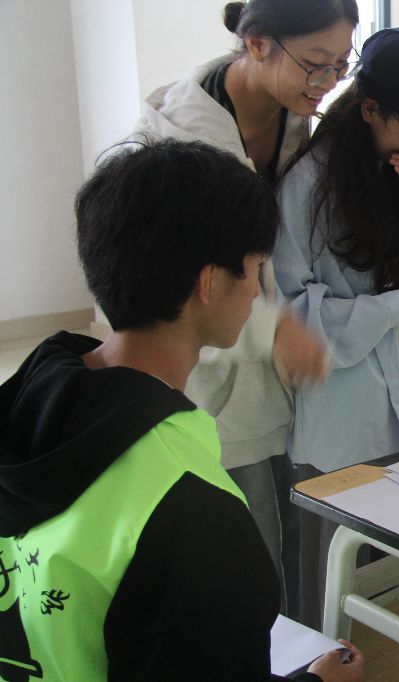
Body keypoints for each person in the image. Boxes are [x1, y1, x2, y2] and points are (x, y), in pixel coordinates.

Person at [0, 139, 363, 681]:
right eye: (255, 269)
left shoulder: (24, 409)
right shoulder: (192, 510)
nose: (258, 295)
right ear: (209, 283)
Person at [131, 0, 361, 614]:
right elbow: (185, 282)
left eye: (340, 64)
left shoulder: (294, 119)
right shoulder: (176, 141)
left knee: (290, 541)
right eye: (315, 63)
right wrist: (275, 329)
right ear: (257, 44)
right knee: (245, 558)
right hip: (213, 380)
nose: (327, 81)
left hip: (283, 383)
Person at [274, 28, 399, 626]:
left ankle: (393, 662)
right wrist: (394, 308)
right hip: (345, 406)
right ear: (369, 109)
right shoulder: (307, 186)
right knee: (333, 569)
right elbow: (293, 319)